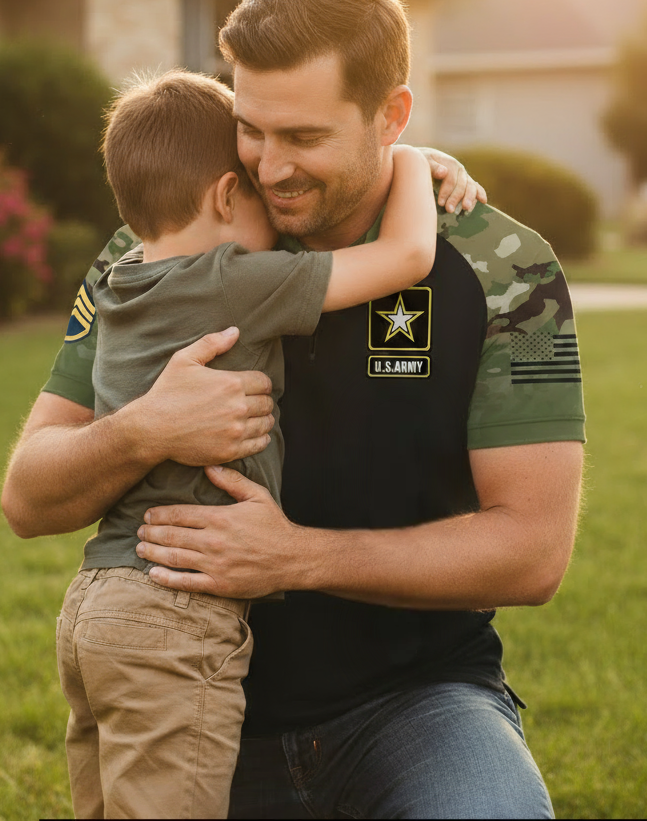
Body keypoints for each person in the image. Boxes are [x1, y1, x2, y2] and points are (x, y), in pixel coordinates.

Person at [3, 0, 585, 820]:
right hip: (197, 694)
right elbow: (27, 495)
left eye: (304, 138)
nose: (269, 170)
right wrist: (143, 430)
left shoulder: (506, 268)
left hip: (414, 700)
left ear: (390, 117)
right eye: (250, 129)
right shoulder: (164, 245)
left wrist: (293, 557)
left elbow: (533, 552)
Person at [60, 68, 437, 819]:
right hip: (178, 613)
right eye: (261, 194)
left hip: (96, 605)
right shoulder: (230, 279)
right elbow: (406, 259)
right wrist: (414, 163)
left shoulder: (123, 280)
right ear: (228, 199)